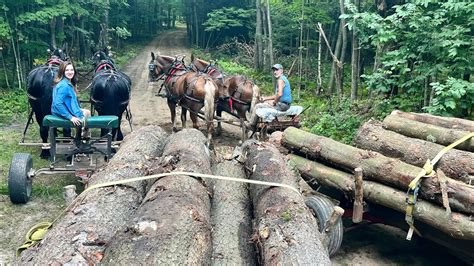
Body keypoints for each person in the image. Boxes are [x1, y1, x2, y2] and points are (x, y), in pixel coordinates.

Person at [246, 63, 292, 127]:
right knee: (265, 102)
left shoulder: (280, 80)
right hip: (285, 104)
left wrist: (274, 102)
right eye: (274, 70)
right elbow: (277, 95)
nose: (275, 72)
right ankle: (257, 121)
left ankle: (251, 124)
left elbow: (279, 94)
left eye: (277, 70)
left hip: (282, 105)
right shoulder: (284, 79)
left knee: (258, 106)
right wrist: (265, 98)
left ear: (281, 70)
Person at [51, 61, 91, 135]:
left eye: (72, 70)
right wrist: (70, 117)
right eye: (67, 70)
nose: (70, 72)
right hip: (61, 112)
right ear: (62, 71)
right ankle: (81, 136)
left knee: (87, 112)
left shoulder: (65, 82)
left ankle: (81, 135)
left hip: (64, 109)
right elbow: (58, 103)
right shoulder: (64, 85)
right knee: (87, 114)